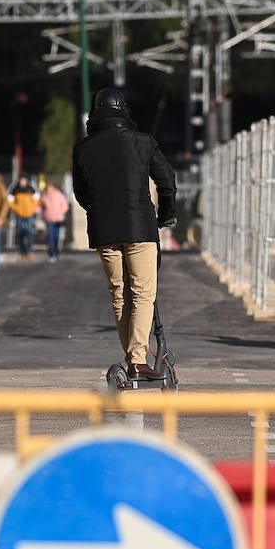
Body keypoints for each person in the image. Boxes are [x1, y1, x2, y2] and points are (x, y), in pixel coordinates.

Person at [72, 87, 176, 379]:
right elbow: (167, 180)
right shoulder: (142, 142)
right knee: (143, 294)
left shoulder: (83, 148)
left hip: (104, 230)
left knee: (119, 294)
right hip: (140, 227)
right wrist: (165, 214)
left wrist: (100, 210)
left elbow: (81, 193)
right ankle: (137, 360)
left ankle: (133, 357)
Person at [8, 173, 40, 261]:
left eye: (24, 179)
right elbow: (10, 201)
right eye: (21, 179)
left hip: (29, 214)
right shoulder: (14, 189)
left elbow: (36, 200)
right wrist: (16, 209)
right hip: (19, 215)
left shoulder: (31, 189)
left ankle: (30, 252)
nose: (22, 181)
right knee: (20, 234)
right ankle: (22, 252)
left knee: (30, 233)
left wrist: (31, 209)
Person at [39, 180, 70, 263]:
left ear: (53, 188)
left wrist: (61, 212)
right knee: (50, 237)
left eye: (50, 187)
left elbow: (65, 206)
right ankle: (51, 254)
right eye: (48, 188)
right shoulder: (44, 196)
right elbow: (41, 207)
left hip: (58, 219)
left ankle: (56, 252)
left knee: (56, 237)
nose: (49, 189)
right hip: (49, 219)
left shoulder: (59, 195)